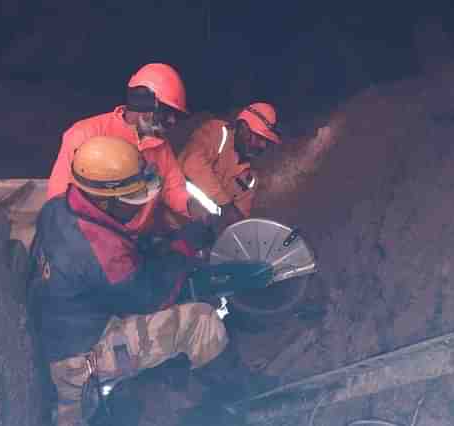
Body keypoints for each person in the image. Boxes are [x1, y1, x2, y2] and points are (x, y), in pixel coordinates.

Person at [29, 136, 274, 426]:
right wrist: (182, 249)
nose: (138, 206)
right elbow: (151, 297)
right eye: (132, 200)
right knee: (201, 321)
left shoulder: (59, 207)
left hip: (61, 326)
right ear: (105, 199)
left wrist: (164, 245)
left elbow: (114, 261)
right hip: (79, 359)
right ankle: (238, 400)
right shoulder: (99, 250)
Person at [47, 63, 209, 234]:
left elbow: (172, 187)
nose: (172, 121)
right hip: (93, 239)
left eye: (174, 116)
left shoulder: (161, 147)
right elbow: (59, 198)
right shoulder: (84, 133)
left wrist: (193, 208)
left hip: (135, 241)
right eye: (167, 113)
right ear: (145, 106)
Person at [165, 102, 282, 233]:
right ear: (243, 128)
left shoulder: (251, 179)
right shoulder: (217, 132)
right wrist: (226, 205)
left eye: (267, 142)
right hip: (168, 220)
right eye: (260, 138)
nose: (263, 146)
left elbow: (237, 222)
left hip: (198, 237)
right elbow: (191, 164)